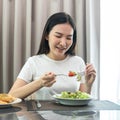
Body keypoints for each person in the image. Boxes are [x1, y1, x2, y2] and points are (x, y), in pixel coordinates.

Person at [8, 12, 96, 100]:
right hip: (41, 113)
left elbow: (82, 99)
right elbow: (12, 96)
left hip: (71, 113)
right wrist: (40, 83)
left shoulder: (78, 62)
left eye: (69, 38)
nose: (63, 43)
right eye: (58, 36)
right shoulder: (33, 62)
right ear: (47, 35)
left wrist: (88, 85)